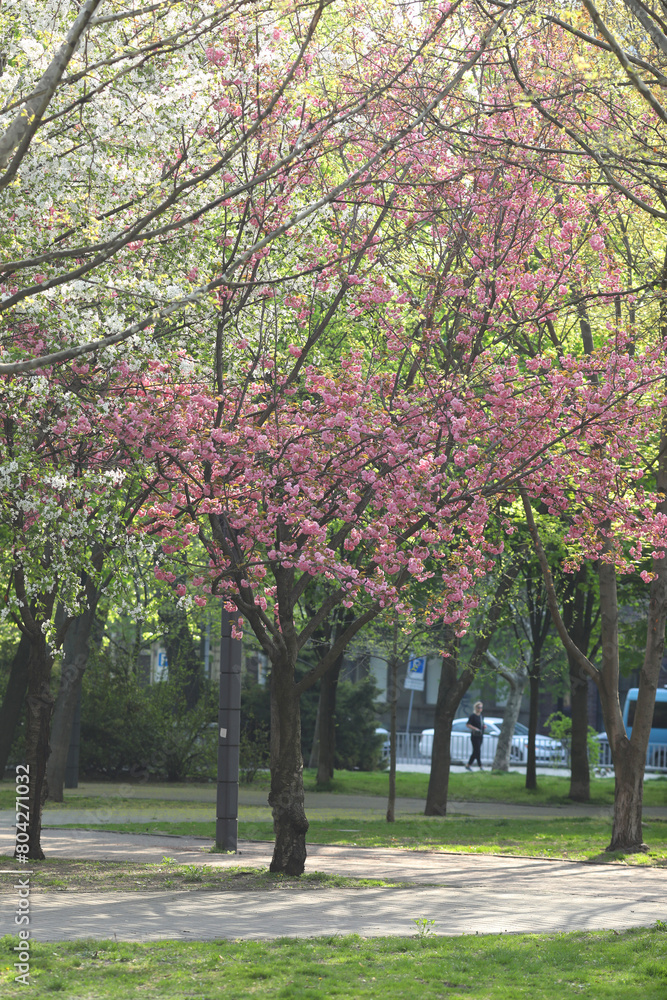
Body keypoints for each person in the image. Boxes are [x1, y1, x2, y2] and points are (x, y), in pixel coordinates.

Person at [465, 701, 484, 771]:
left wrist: (483, 726)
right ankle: (480, 765)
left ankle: (468, 764)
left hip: (480, 735)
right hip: (475, 735)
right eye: (479, 707)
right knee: (477, 750)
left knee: (475, 751)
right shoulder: (472, 716)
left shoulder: (481, 716)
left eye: (481, 707)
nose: (480, 709)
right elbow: (468, 724)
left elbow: (481, 724)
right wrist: (475, 728)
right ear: (476, 708)